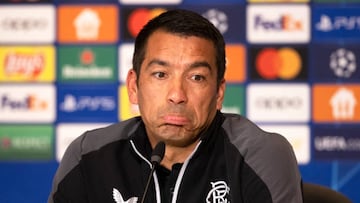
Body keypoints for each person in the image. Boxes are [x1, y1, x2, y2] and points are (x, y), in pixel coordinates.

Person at [48, 9, 303, 203]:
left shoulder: (259, 155)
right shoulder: (88, 155)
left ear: (218, 93)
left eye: (197, 77)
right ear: (134, 86)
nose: (177, 95)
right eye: (160, 74)